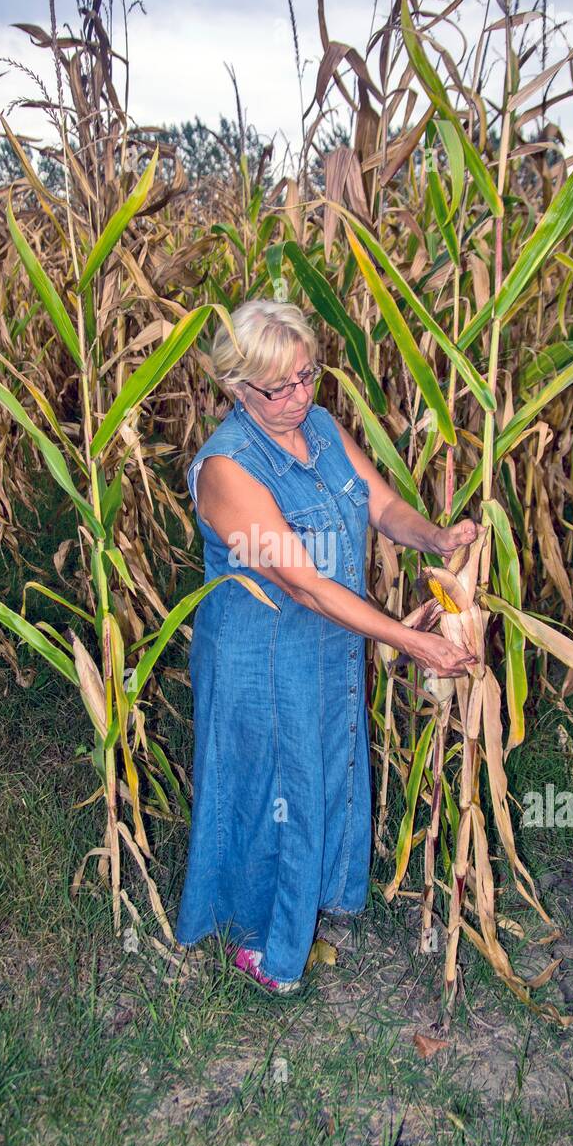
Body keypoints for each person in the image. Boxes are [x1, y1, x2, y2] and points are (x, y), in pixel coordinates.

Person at [176, 299, 477, 995]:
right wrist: (409, 641)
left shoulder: (321, 426)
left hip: (328, 641)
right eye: (277, 388)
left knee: (324, 764)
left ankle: (316, 902)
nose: (298, 397)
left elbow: (380, 505)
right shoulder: (226, 468)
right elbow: (305, 585)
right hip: (260, 652)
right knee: (269, 785)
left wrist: (434, 536)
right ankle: (263, 945)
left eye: (307, 376)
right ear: (236, 388)